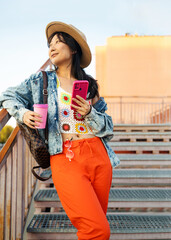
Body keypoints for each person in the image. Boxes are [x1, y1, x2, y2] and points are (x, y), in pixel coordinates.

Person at [0, 21, 120, 240]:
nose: (52, 47)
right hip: (66, 158)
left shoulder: (89, 85)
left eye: (58, 42)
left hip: (99, 158)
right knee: (98, 230)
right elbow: (7, 96)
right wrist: (23, 114)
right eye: (50, 44)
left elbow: (108, 128)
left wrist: (90, 113)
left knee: (94, 226)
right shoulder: (41, 80)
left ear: (73, 48)